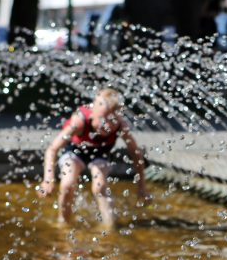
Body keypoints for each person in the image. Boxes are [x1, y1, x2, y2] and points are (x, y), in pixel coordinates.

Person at [38, 87, 148, 226]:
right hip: (74, 152)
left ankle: (110, 226)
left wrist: (142, 187)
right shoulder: (79, 121)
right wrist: (48, 179)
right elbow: (52, 149)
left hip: (100, 154)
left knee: (100, 186)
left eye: (111, 119)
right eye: (102, 118)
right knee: (67, 184)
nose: (106, 125)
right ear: (92, 113)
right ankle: (63, 223)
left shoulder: (121, 126)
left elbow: (136, 154)